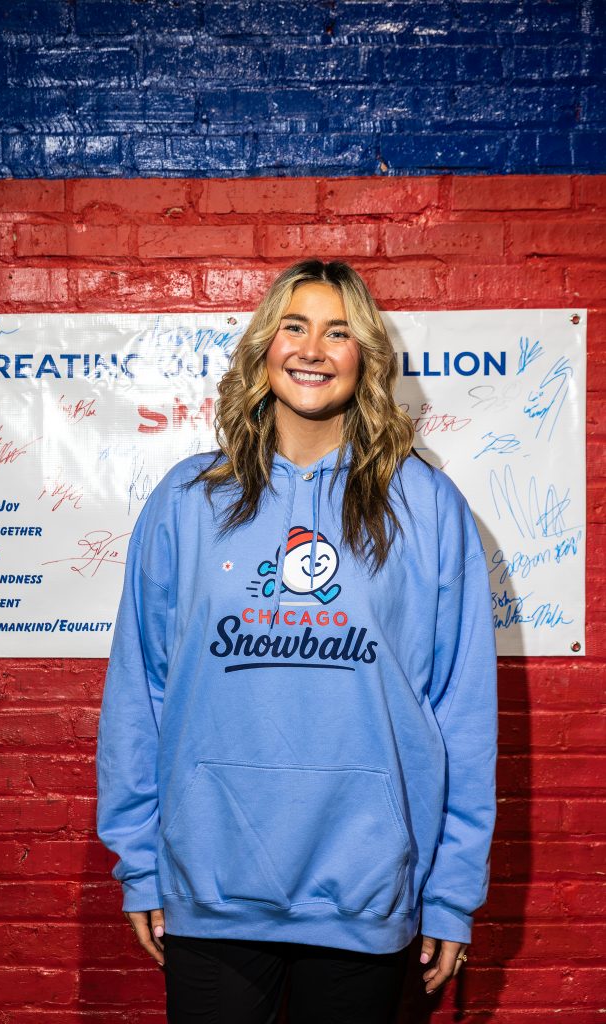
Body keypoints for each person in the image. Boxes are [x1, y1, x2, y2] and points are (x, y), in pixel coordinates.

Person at [96, 259, 498, 1024]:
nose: (312, 349)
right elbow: (138, 693)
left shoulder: (426, 505)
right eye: (294, 326)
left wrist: (450, 893)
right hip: (210, 884)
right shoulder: (187, 500)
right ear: (264, 347)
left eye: (337, 332)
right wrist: (140, 864)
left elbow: (463, 713)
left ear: (365, 357)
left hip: (366, 890)